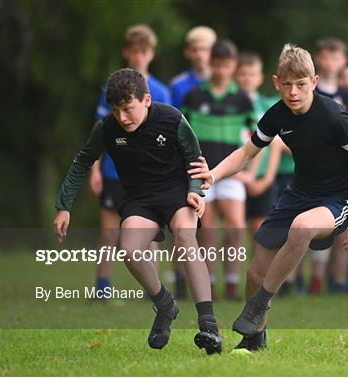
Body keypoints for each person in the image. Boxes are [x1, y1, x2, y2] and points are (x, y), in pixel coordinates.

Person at [189, 44, 348, 351]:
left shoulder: (334, 116)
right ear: (277, 82)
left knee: (302, 227)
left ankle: (259, 305)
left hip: (338, 199)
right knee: (254, 273)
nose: (294, 92)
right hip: (298, 194)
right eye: (287, 85)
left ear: (314, 82)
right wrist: (214, 173)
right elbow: (246, 153)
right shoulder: (277, 114)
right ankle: (255, 338)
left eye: (301, 85)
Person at [54, 68, 222, 353]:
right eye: (116, 110)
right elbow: (83, 161)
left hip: (177, 193)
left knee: (185, 239)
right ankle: (165, 305)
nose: (122, 117)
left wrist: (195, 190)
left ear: (146, 100)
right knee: (129, 249)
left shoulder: (172, 119)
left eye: (128, 108)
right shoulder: (108, 128)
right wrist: (63, 205)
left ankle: (209, 326)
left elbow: (195, 160)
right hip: (140, 199)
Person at [89, 24, 171, 297]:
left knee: (151, 233)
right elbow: (98, 132)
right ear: (127, 53)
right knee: (110, 230)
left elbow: (170, 135)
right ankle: (102, 286)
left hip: (149, 176)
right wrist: (95, 169)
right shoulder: (110, 90)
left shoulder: (160, 91)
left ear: (151, 54)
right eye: (134, 52)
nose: (139, 57)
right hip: (115, 171)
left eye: (144, 52)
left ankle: (154, 288)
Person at [182, 39, 255, 300]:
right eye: (218, 65)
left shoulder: (243, 98)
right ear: (211, 64)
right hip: (202, 172)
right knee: (209, 229)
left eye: (227, 66)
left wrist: (251, 172)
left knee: (236, 227)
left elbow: (258, 140)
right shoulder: (194, 96)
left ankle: (233, 281)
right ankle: (210, 282)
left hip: (231, 173)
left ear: (233, 66)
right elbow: (181, 135)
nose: (222, 70)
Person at [169, 26, 216, 298]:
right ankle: (179, 279)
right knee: (182, 222)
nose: (201, 55)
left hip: (213, 162)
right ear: (188, 52)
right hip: (182, 163)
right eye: (196, 49)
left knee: (210, 225)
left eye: (206, 49)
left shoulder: (223, 81)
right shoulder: (178, 86)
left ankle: (208, 281)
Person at [311, 37, 348, 294]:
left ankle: (334, 280)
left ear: (343, 61)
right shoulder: (311, 90)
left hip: (339, 168)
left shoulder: (347, 93)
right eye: (325, 56)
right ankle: (302, 279)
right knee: (309, 224)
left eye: (335, 57)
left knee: (336, 224)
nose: (330, 62)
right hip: (313, 164)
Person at [235, 52, 284, 246]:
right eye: (243, 73)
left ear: (260, 78)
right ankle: (229, 276)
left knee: (260, 229)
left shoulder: (269, 106)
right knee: (235, 229)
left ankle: (260, 275)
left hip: (263, 177)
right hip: (236, 175)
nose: (247, 78)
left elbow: (277, 144)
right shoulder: (230, 106)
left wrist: (267, 179)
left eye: (252, 74)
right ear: (235, 76)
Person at [170, 26, 217, 109]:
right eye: (194, 50)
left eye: (204, 49)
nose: (199, 55)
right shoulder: (177, 85)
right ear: (186, 52)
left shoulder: (226, 83)